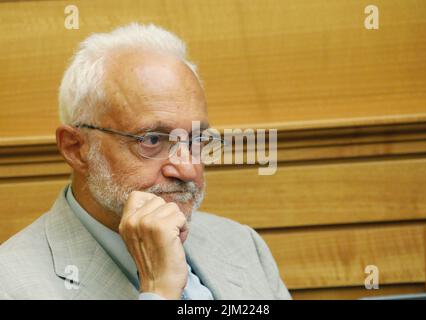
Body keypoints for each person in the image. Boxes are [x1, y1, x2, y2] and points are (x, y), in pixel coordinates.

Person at [0, 23, 291, 300]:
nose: (188, 169)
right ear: (76, 148)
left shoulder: (242, 244)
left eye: (196, 140)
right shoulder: (11, 283)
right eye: (152, 140)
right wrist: (159, 292)